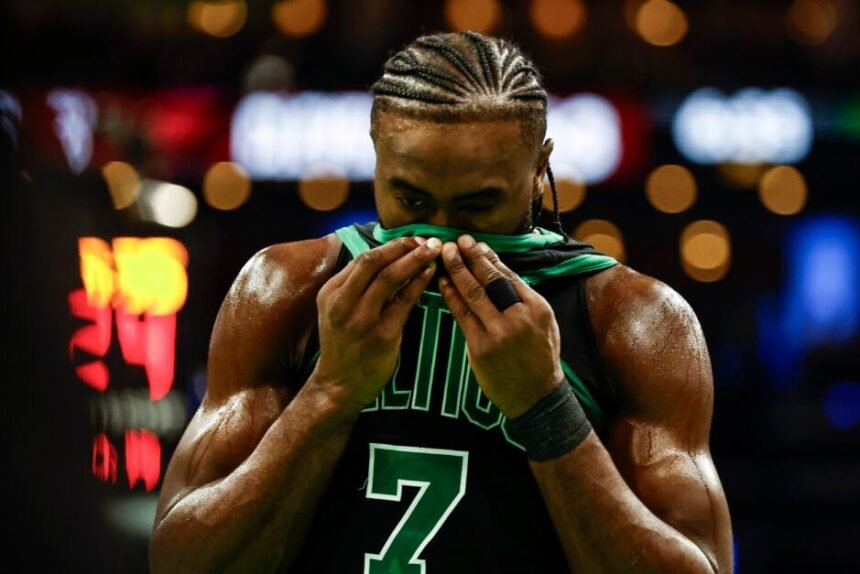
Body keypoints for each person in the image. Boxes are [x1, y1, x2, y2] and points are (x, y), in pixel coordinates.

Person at [149, 31, 733, 573]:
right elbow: (180, 562)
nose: (441, 233)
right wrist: (329, 393)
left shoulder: (632, 318)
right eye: (411, 198)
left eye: (479, 205)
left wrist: (546, 409)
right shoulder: (286, 286)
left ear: (539, 168)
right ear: (376, 151)